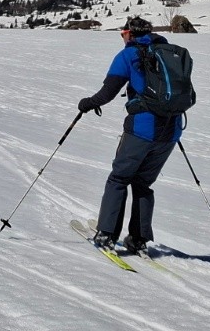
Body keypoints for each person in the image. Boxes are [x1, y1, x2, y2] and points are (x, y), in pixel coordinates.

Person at [77, 15, 183, 253]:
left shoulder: (128, 55)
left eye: (123, 34)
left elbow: (107, 93)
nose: (122, 38)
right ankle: (139, 239)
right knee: (143, 183)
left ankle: (106, 234)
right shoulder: (169, 54)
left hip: (141, 129)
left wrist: (87, 103)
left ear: (130, 34)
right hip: (171, 129)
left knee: (119, 179)